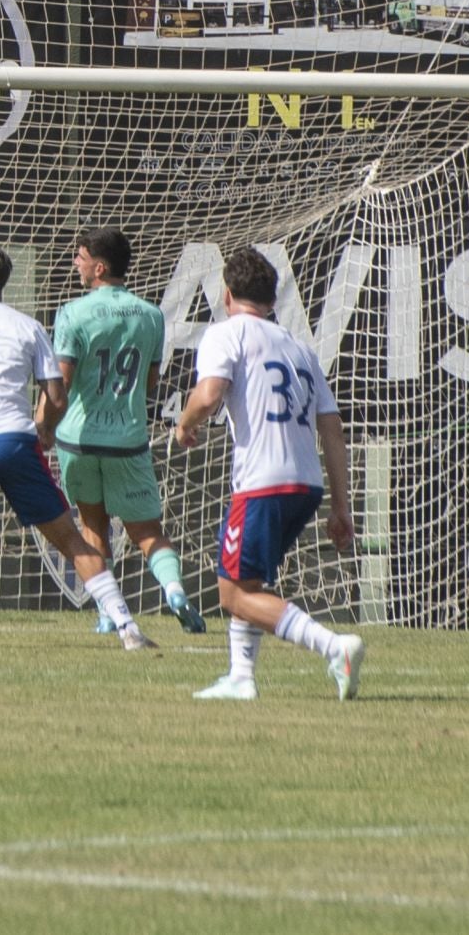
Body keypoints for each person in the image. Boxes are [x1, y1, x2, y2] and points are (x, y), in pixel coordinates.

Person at [0, 242, 155, 651]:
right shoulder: (27, 326)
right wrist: (45, 430)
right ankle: (127, 628)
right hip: (12, 440)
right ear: (5, 282)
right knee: (70, 539)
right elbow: (56, 395)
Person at [174, 247, 363, 701]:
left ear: (227, 295)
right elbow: (332, 429)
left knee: (232, 595)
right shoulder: (299, 347)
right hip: (306, 484)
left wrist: (184, 423)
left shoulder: (228, 333)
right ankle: (241, 677)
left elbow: (210, 393)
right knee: (249, 583)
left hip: (263, 481)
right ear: (273, 300)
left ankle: (334, 646)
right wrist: (340, 505)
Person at [51, 228, 205, 636]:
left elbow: (60, 384)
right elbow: (151, 381)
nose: (76, 264)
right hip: (128, 439)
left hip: (79, 440)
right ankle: (173, 590)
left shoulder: (71, 312)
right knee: (147, 532)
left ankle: (107, 612)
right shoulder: (152, 315)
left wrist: (41, 428)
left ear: (99, 267)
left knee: (93, 526)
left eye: (80, 257)